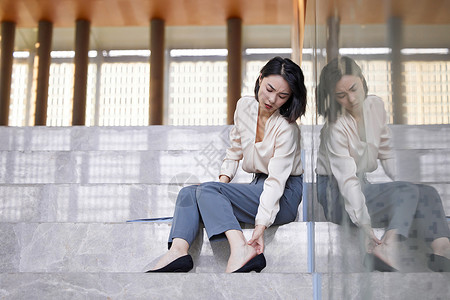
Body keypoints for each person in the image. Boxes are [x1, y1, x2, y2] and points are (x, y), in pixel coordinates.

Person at [147, 56, 307, 273]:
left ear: (289, 98)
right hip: (257, 185)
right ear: (261, 78)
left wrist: (260, 227)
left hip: (283, 194)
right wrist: (217, 189)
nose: (272, 99)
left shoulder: (287, 129)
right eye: (269, 89)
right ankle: (177, 252)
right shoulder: (244, 107)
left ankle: (241, 248)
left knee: (207, 190)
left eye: (282, 96)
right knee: (188, 193)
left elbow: (276, 181)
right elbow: (235, 150)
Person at [315, 56, 450, 272]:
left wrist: (405, 186)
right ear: (332, 98)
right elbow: (347, 181)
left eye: (354, 88)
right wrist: (365, 224)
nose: (351, 99)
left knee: (427, 192)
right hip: (336, 193)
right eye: (341, 95)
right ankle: (387, 247)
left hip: (362, 184)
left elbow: (384, 146)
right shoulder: (335, 128)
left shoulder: (375, 105)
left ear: (362, 80)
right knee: (407, 191)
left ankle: (442, 249)